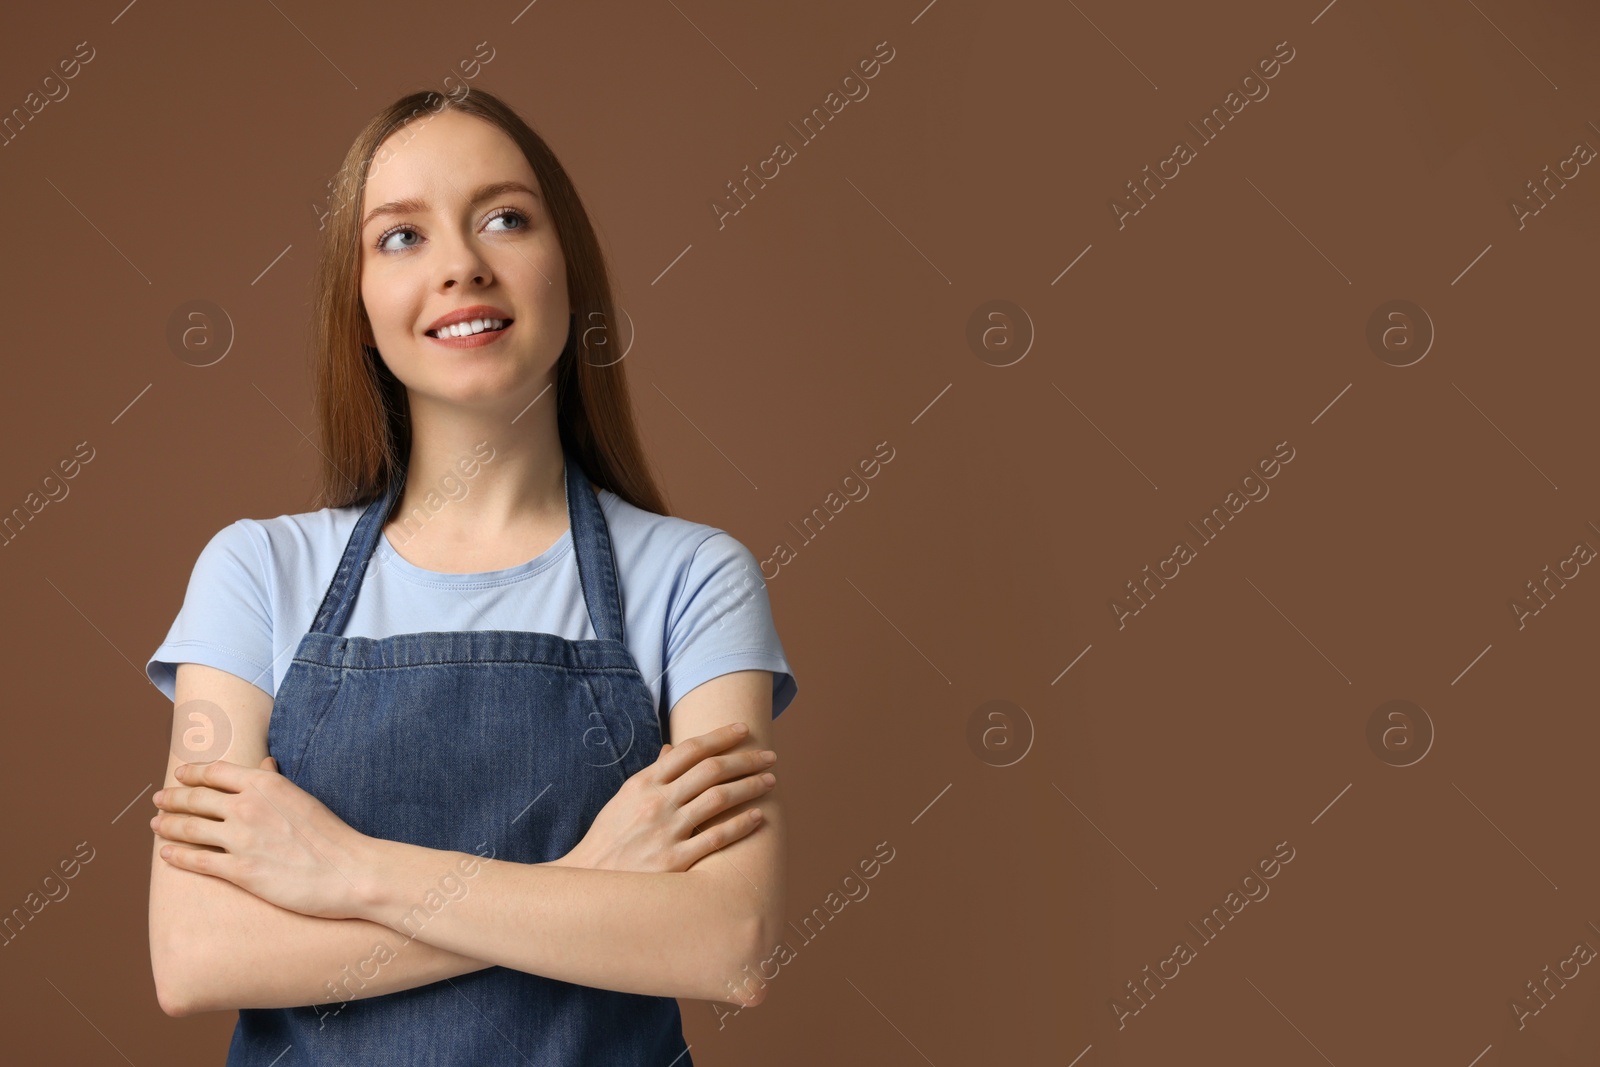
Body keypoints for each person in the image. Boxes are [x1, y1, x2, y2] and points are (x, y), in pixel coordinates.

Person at [144, 86, 797, 1065]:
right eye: (401, 237)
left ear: (564, 266)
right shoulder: (254, 571)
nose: (461, 264)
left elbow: (725, 943)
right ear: (357, 310)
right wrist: (586, 881)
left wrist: (349, 869)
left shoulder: (699, 580)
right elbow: (195, 953)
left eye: (504, 217)